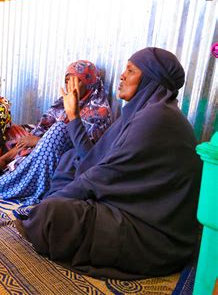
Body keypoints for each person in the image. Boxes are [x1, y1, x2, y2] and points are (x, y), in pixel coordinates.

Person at [15, 47, 202, 279]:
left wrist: (51, 202)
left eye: (131, 71)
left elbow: (101, 175)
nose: (122, 76)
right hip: (127, 205)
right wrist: (72, 115)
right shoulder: (141, 113)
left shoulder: (156, 119)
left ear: (150, 79)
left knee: (53, 215)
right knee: (69, 159)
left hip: (151, 233)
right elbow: (93, 159)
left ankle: (45, 214)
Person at [0, 60, 112, 206]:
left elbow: (87, 154)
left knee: (58, 130)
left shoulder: (99, 113)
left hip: (69, 167)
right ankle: (8, 177)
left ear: (89, 84)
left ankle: (24, 187)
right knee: (15, 131)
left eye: (76, 82)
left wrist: (40, 141)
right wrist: (4, 158)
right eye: (67, 81)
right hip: (42, 154)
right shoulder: (62, 103)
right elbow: (36, 134)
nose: (70, 87)